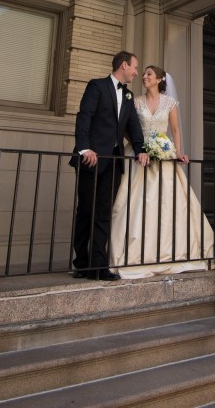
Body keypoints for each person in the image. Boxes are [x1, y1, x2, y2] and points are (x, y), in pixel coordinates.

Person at [109, 65, 215, 279]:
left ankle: (171, 252)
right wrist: (140, 147)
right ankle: (134, 254)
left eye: (149, 74)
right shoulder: (135, 101)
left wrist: (178, 152)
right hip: (139, 156)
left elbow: (175, 130)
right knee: (133, 202)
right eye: (143, 73)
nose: (144, 76)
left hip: (164, 154)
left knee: (167, 205)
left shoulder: (169, 103)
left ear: (159, 79)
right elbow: (128, 129)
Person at [71, 50, 147, 281]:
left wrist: (141, 149)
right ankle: (81, 263)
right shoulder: (97, 86)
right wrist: (84, 148)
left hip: (114, 161)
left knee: (103, 213)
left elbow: (133, 126)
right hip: (91, 159)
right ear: (124, 65)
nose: (136, 72)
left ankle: (98, 266)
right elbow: (84, 116)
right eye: (135, 67)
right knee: (86, 211)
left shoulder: (128, 95)